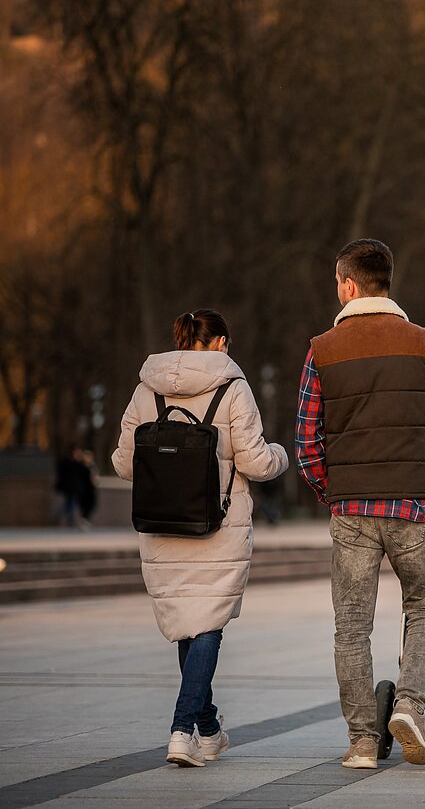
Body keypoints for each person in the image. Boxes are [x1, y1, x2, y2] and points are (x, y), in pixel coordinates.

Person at [296, 239, 425, 770]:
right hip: (414, 506)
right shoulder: (424, 343)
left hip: (352, 510)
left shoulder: (322, 350)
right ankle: (409, 706)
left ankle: (361, 742)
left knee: (352, 626)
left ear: (349, 286)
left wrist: (333, 491)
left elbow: (306, 444)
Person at [112, 310, 289, 767]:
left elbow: (125, 464)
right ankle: (181, 729)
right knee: (207, 624)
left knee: (189, 625)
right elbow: (255, 462)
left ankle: (208, 730)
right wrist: (280, 456)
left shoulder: (146, 389)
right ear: (221, 343)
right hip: (217, 525)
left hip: (161, 523)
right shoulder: (233, 387)